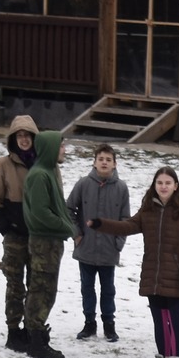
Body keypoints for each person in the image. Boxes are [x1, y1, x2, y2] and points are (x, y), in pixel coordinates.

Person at [89, 166, 179, 358]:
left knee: (176, 323)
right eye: (160, 183)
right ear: (154, 185)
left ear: (175, 186)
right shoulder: (149, 209)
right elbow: (128, 226)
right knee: (160, 321)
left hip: (177, 278)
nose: (163, 186)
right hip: (154, 277)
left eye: (168, 183)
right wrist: (101, 224)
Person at [0, 114, 40, 351]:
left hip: (38, 235)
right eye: (20, 136)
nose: (24, 140)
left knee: (36, 284)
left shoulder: (44, 164)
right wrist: (4, 225)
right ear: (13, 139)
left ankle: (32, 328)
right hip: (14, 235)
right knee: (15, 283)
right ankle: (13, 330)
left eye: (28, 135)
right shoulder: (3, 165)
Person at [19, 129, 75, 358]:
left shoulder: (48, 172)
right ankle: (35, 339)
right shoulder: (40, 175)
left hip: (51, 240)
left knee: (47, 289)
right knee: (41, 289)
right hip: (44, 241)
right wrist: (66, 226)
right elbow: (41, 212)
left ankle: (38, 333)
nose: (64, 150)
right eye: (61, 146)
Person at [67, 144, 130, 343]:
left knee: (108, 289)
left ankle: (109, 325)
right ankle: (89, 323)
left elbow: (125, 218)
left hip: (109, 250)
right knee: (87, 288)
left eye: (108, 160)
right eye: (101, 159)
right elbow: (68, 210)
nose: (104, 162)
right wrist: (77, 235)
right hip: (86, 248)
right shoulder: (83, 184)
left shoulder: (121, 188)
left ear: (114, 164)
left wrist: (118, 242)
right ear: (94, 162)